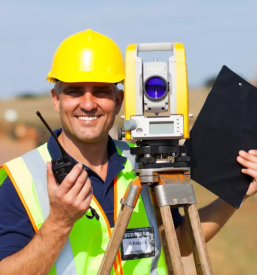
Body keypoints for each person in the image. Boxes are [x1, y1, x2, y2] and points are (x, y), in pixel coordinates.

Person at [0, 29, 257, 275]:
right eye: (75, 91)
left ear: (120, 100)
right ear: (56, 99)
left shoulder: (144, 163)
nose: (88, 104)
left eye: (101, 91)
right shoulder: (21, 179)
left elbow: (179, 243)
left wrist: (234, 195)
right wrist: (58, 223)